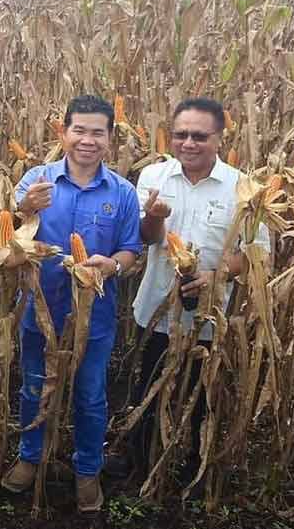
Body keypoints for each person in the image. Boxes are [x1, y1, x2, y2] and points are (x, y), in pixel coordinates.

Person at [105, 98, 270, 484]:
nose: (189, 143)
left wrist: (216, 275)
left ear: (219, 137)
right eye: (181, 135)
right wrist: (154, 218)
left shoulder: (244, 189)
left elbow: (257, 254)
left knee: (201, 395)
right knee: (147, 390)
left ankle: (194, 468)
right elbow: (146, 240)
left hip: (212, 316)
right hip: (156, 309)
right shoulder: (153, 178)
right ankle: (140, 461)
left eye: (200, 136)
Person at [0, 94, 141, 513]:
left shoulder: (123, 193)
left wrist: (109, 265)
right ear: (64, 132)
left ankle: (88, 471)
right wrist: (22, 209)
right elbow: (7, 238)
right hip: (38, 309)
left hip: (95, 316)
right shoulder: (35, 182)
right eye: (79, 130)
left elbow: (131, 250)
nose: (88, 140)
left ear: (111, 138)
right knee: (34, 387)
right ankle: (29, 457)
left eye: (98, 132)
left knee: (91, 396)